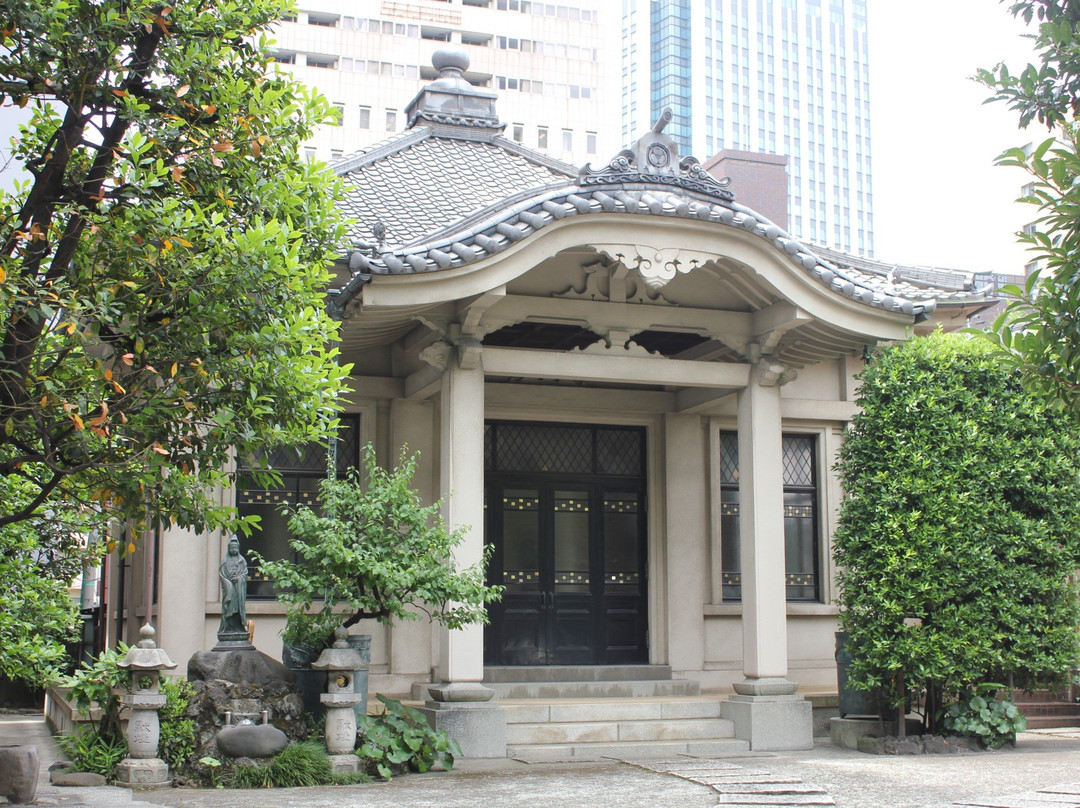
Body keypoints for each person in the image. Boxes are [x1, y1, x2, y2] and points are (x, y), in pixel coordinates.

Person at [218, 536, 248, 637]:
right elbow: (222, 574)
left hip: (238, 588)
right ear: (228, 548)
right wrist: (229, 583)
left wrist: (239, 579)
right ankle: (228, 627)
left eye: (235, 548)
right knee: (229, 606)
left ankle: (238, 627)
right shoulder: (225, 561)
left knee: (238, 608)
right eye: (232, 548)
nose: (234, 550)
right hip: (230, 589)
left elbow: (244, 573)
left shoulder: (242, 561)